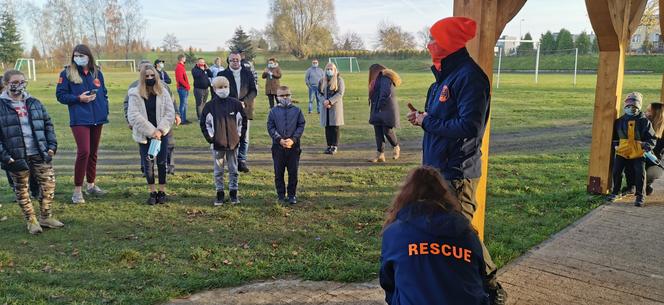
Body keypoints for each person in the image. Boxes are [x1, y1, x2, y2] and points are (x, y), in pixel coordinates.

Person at [406, 17, 505, 303]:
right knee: (440, 231)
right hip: (436, 170)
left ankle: (491, 286)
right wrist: (422, 118)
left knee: (463, 233)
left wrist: (428, 121)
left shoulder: (470, 77)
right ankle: (447, 283)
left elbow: (469, 127)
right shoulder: (443, 79)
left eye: (435, 40)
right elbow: (439, 119)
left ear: (448, 44)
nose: (430, 45)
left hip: (457, 172)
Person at [380, 166, 489, 304]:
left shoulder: (394, 233)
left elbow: (387, 282)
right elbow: (481, 275)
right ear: (444, 194)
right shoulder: (467, 232)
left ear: (406, 194)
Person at [0, 70, 64, 234]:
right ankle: (31, 221)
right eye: (15, 82)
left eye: (22, 81)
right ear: (6, 84)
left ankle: (45, 216)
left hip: (39, 152)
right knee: (21, 189)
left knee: (48, 184)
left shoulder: (34, 102)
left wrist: (51, 145)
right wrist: (6, 157)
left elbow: (47, 123)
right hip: (16, 156)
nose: (19, 84)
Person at [56, 44, 109, 204]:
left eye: (81, 55)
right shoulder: (66, 73)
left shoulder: (97, 72)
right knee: (84, 152)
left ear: (88, 56)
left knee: (93, 152)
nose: (78, 58)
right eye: (76, 55)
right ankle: (77, 190)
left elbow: (104, 92)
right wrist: (78, 98)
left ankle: (91, 185)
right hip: (80, 119)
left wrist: (104, 108)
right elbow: (60, 95)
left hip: (97, 118)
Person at [127, 65, 176, 205]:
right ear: (142, 77)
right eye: (146, 76)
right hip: (144, 134)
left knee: (162, 162)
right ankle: (152, 191)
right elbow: (133, 115)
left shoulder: (163, 92)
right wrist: (151, 131)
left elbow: (170, 112)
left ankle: (162, 191)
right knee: (148, 164)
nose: (149, 78)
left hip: (162, 134)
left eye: (152, 75)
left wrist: (160, 130)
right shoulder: (134, 93)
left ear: (156, 76)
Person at [200, 76, 247, 205]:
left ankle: (233, 192)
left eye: (225, 87)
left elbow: (242, 122)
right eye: (220, 87)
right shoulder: (210, 106)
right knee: (218, 170)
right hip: (217, 144)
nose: (223, 90)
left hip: (233, 143)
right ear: (214, 89)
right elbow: (205, 123)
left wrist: (239, 137)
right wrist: (211, 139)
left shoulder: (236, 104)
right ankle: (219, 193)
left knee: (233, 169)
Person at [606, 92, 655, 207]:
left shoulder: (644, 122)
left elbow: (651, 137)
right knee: (617, 171)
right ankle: (615, 191)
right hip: (622, 151)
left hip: (638, 152)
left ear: (638, 107)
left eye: (634, 106)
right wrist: (616, 144)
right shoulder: (620, 121)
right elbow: (615, 135)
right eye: (628, 105)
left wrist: (647, 145)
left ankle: (640, 195)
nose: (630, 108)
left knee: (639, 173)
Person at [217, 52, 257, 173]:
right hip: (228, 109)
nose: (235, 62)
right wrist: (233, 103)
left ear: (241, 61)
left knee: (244, 137)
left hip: (245, 109)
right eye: (232, 60)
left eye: (237, 60)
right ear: (228, 61)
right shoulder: (222, 74)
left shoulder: (248, 73)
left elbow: (253, 91)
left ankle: (242, 160)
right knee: (229, 136)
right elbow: (217, 91)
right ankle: (230, 161)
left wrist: (244, 101)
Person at [267, 86, 305, 204]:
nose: (284, 98)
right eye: (282, 96)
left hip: (293, 147)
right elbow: (270, 126)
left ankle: (292, 194)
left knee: (293, 172)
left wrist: (293, 139)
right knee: (279, 172)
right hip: (278, 147)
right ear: (277, 97)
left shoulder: (297, 111)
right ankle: (281, 195)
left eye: (287, 95)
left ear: (291, 95)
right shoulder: (273, 111)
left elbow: (301, 125)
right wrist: (279, 140)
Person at [368, 64, 401, 163]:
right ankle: (380, 154)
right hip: (378, 109)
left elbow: (385, 92)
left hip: (386, 109)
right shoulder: (378, 78)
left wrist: (379, 105)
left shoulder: (385, 78)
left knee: (387, 130)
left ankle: (396, 147)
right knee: (378, 132)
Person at [317, 62, 345, 155]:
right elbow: (319, 93)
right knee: (327, 127)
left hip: (335, 107)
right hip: (325, 107)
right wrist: (324, 101)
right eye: (328, 69)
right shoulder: (322, 81)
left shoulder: (339, 80)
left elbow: (340, 93)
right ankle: (329, 145)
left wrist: (330, 101)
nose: (329, 71)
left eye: (331, 69)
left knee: (335, 127)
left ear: (335, 70)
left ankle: (334, 146)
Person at [644, 102, 664, 195]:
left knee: (653, 172)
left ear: (656, 114)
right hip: (639, 159)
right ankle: (632, 184)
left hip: (654, 163)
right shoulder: (643, 124)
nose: (645, 112)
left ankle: (647, 183)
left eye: (648, 111)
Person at [175, 54, 192, 124]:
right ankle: (181, 119)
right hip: (182, 88)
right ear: (181, 59)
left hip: (184, 88)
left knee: (185, 104)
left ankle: (184, 119)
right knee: (182, 105)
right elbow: (180, 79)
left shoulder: (182, 66)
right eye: (184, 58)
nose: (185, 59)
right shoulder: (179, 67)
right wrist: (187, 86)